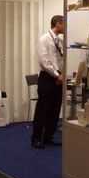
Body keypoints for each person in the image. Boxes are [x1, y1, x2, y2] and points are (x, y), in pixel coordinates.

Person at [32, 15, 65, 149]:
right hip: (47, 78)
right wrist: (57, 75)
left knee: (55, 109)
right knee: (42, 109)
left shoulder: (60, 41)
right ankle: (36, 138)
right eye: (64, 24)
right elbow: (44, 61)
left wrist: (62, 74)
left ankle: (48, 137)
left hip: (59, 78)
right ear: (57, 24)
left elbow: (61, 59)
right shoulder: (44, 39)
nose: (65, 27)